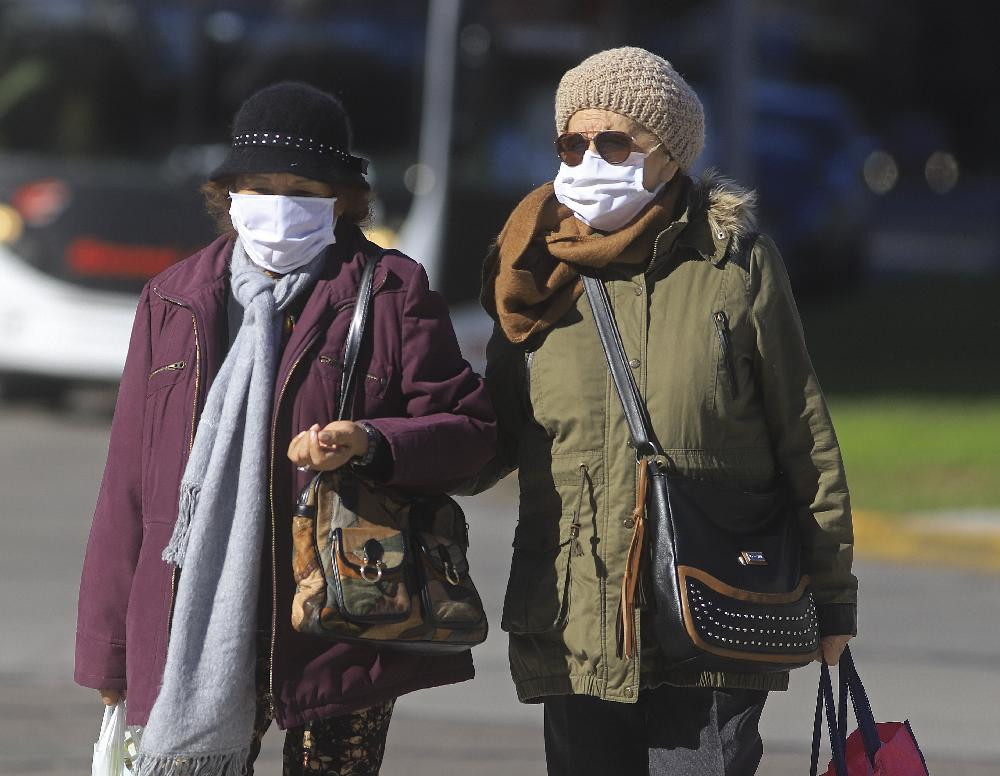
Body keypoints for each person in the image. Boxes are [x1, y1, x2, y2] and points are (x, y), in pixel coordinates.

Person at [75, 81, 496, 776]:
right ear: (230, 193)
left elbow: (472, 433)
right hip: (190, 617)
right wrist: (108, 650)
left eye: (300, 187)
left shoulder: (391, 290)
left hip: (338, 620)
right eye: (260, 185)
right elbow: (127, 485)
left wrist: (373, 442)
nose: (277, 205)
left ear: (343, 200)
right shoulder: (175, 298)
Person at [475, 47, 857, 775]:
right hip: (576, 612)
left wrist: (833, 599)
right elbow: (486, 434)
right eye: (573, 143)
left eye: (614, 142)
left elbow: (803, 432)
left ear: (668, 152)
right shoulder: (530, 267)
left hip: (714, 605)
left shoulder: (735, 262)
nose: (590, 158)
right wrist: (385, 444)